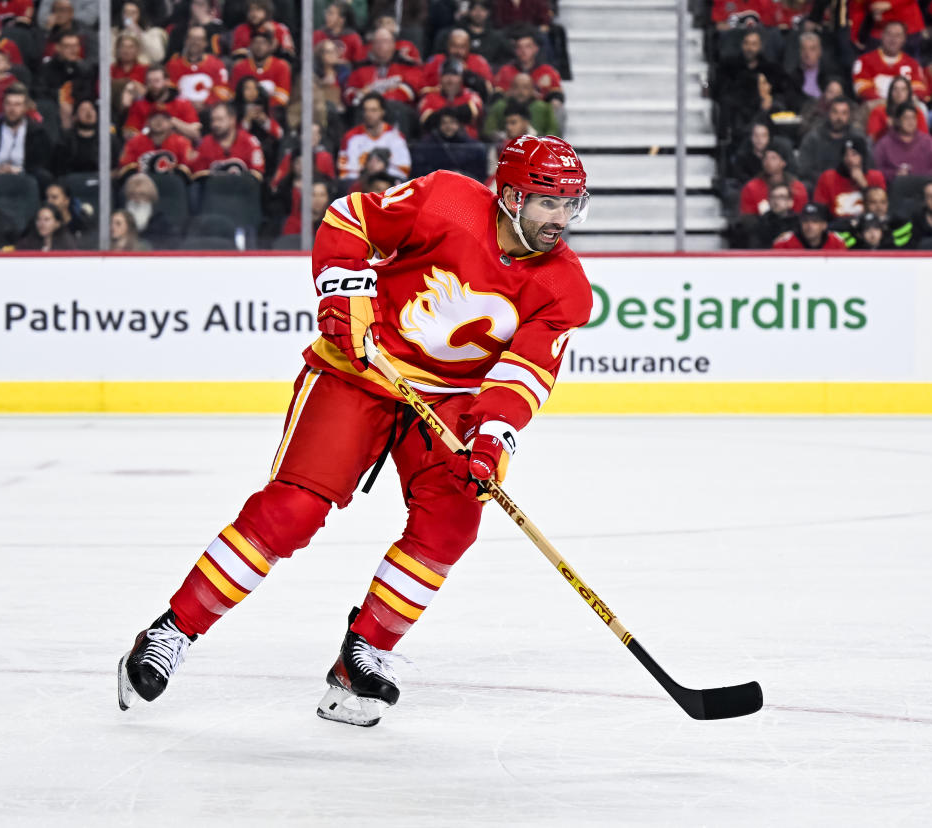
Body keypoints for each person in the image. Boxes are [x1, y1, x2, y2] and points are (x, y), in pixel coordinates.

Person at [116, 135, 594, 727]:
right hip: (358, 371)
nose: (562, 220)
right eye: (549, 204)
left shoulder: (565, 286)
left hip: (445, 405)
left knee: (450, 523)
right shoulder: (444, 199)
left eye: (571, 204)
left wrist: (493, 436)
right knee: (291, 511)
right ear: (510, 197)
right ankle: (174, 631)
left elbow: (525, 374)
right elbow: (350, 218)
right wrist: (343, 291)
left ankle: (363, 655)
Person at [337, 92, 410, 181]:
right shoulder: (350, 137)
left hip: (388, 186)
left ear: (382, 112)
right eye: (366, 110)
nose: (369, 114)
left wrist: (380, 176)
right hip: (361, 187)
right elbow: (345, 172)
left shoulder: (396, 136)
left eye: (374, 110)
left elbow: (403, 170)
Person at [813, 137, 885, 220]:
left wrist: (864, 186)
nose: (850, 159)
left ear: (863, 156)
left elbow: (881, 210)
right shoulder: (828, 177)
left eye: (854, 154)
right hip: (837, 225)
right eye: (846, 155)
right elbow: (820, 210)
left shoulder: (875, 177)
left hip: (868, 226)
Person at [872, 101, 932, 184]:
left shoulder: (928, 141)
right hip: (896, 188)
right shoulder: (884, 144)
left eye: (913, 118)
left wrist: (921, 178)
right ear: (897, 120)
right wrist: (895, 174)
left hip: (925, 187)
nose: (911, 122)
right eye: (906, 118)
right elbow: (878, 170)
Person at [865, 76, 927, 142]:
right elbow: (872, 139)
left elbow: (924, 137)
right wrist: (886, 127)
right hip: (885, 148)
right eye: (895, 89)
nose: (899, 92)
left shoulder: (917, 112)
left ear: (909, 93)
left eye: (903, 89)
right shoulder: (878, 111)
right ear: (890, 92)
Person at [772, 202, 846, 249]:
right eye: (805, 221)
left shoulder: (836, 242)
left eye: (815, 221)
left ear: (824, 225)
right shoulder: (785, 243)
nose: (809, 225)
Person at [751, 181, 799, 249]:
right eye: (773, 197)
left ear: (790, 202)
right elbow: (756, 249)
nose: (776, 201)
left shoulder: (798, 223)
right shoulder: (761, 223)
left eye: (781, 197)